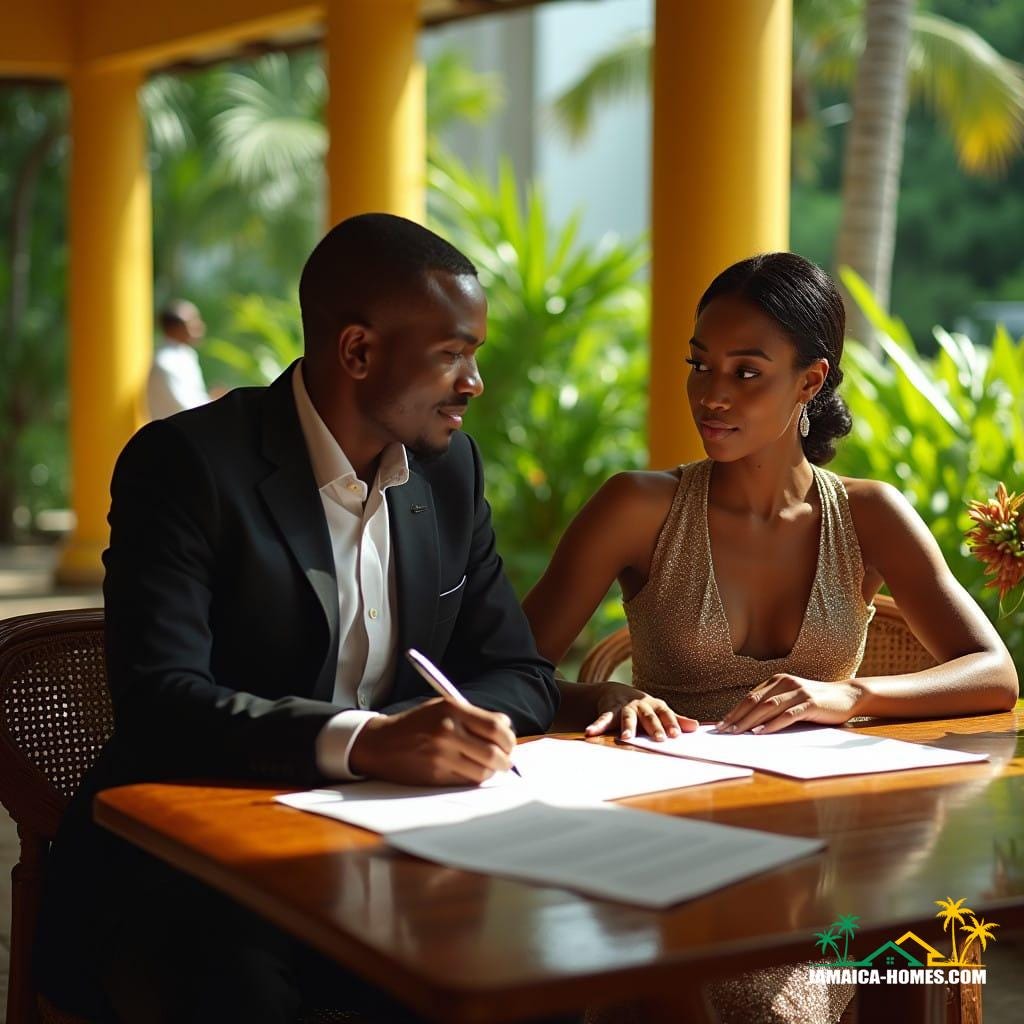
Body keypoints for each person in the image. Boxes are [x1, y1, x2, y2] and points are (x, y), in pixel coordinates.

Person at [36, 214, 559, 1023]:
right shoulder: (188, 467)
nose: (474, 383)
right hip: (200, 868)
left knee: (542, 967)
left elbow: (518, 673)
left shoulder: (449, 472)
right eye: (454, 353)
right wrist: (369, 741)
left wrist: (435, 733)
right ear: (357, 351)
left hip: (391, 851)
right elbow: (160, 700)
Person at [523, 252, 1018, 1024]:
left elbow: (993, 672)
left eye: (746, 372)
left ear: (810, 382)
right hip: (668, 850)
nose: (711, 395)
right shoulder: (637, 508)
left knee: (923, 927)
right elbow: (500, 676)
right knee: (695, 984)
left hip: (823, 857)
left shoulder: (868, 516)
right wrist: (602, 693)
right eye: (699, 365)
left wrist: (850, 694)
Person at [147, 299, 213, 418]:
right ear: (175, 328)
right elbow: (186, 408)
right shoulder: (165, 361)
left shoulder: (186, 354)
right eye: (193, 321)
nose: (200, 325)